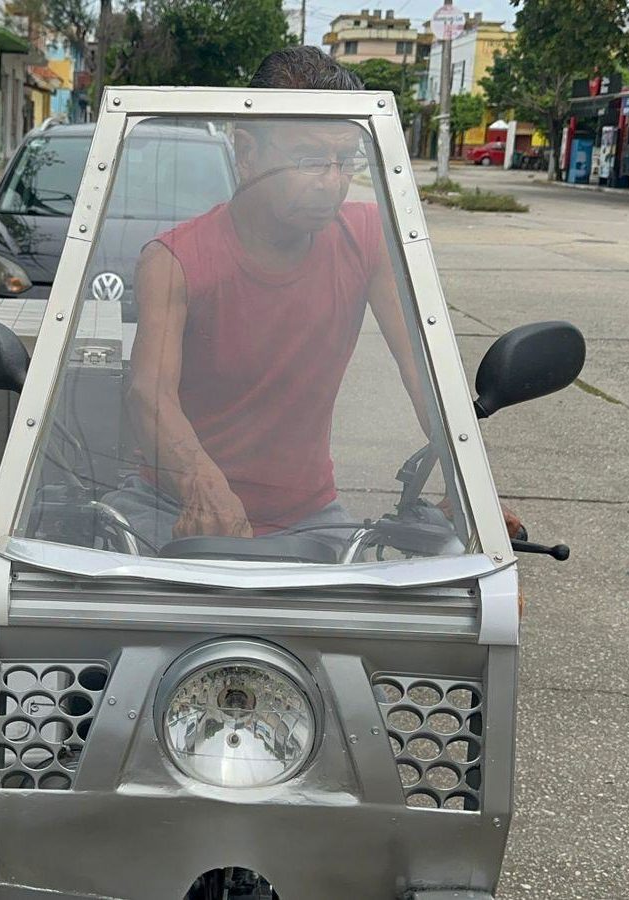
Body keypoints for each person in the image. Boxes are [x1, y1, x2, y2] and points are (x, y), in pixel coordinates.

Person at [104, 47, 519, 553]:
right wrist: (202, 485)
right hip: (171, 505)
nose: (333, 182)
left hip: (310, 516)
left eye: (346, 160)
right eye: (309, 160)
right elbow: (150, 395)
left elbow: (422, 370)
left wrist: (469, 486)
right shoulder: (174, 259)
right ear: (247, 153)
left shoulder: (367, 238)